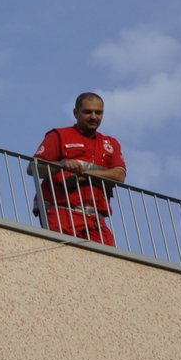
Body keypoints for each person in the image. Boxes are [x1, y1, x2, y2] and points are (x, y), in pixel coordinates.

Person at [31, 92, 126, 245]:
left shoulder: (110, 143)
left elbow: (119, 175)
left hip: (96, 219)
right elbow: (34, 168)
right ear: (76, 113)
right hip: (62, 212)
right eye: (88, 112)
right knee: (65, 259)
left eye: (98, 112)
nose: (94, 116)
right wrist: (61, 164)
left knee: (107, 263)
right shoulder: (59, 135)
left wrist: (84, 174)